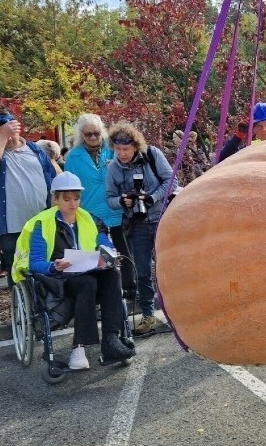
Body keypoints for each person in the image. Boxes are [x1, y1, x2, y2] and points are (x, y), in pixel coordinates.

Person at [12, 172, 134, 369]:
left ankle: (111, 340)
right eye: (66, 199)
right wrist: (53, 265)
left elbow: (103, 243)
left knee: (112, 274)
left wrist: (109, 254)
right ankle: (78, 348)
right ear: (55, 199)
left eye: (76, 198)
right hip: (60, 279)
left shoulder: (90, 220)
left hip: (89, 273)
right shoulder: (41, 224)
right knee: (88, 282)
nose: (73, 203)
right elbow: (34, 263)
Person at [105, 121, 174, 336]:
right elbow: (109, 198)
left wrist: (152, 197)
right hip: (137, 224)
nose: (122, 154)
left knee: (168, 267)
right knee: (143, 272)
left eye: (126, 149)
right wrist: (122, 201)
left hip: (162, 219)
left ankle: (178, 312)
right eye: (118, 149)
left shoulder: (152, 155)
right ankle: (148, 315)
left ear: (135, 145)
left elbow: (171, 181)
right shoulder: (113, 168)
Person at [0, 110, 58, 284]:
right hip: (11, 227)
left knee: (45, 267)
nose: (9, 138)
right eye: (1, 133)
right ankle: (19, 307)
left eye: (11, 132)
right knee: (17, 272)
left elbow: (53, 179)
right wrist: (3, 136)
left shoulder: (35, 149)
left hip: (41, 222)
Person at [63, 113, 136, 299]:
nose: (94, 137)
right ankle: (101, 292)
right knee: (97, 254)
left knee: (124, 251)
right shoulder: (73, 157)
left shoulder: (112, 150)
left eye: (96, 133)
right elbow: (70, 186)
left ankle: (130, 287)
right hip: (92, 213)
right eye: (88, 134)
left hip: (116, 208)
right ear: (81, 134)